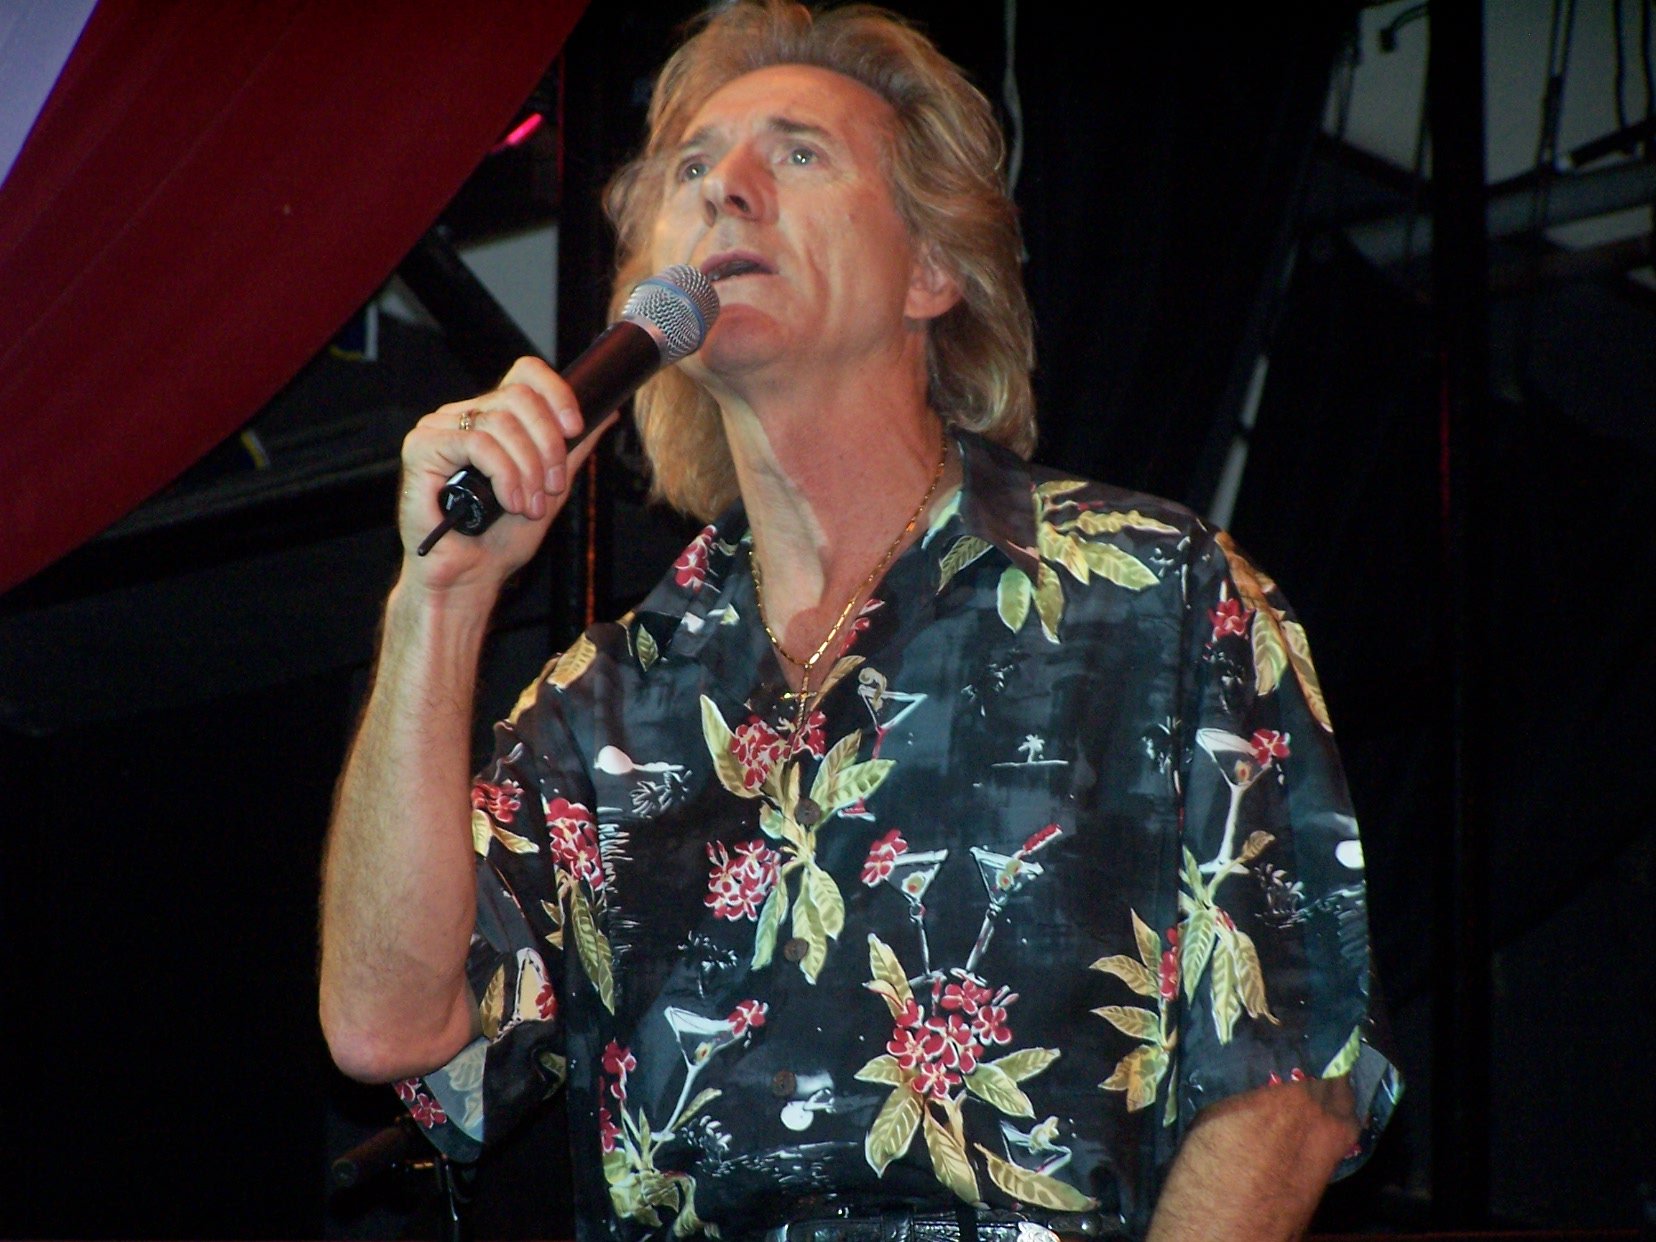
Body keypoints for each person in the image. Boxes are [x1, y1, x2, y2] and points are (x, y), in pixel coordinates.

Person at [319, 3, 1399, 1239]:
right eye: (691, 167)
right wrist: (440, 602)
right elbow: (386, 1027)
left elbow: (1291, 1084)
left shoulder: (1158, 597)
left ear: (931, 272)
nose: (726, 188)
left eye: (798, 153)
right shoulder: (600, 706)